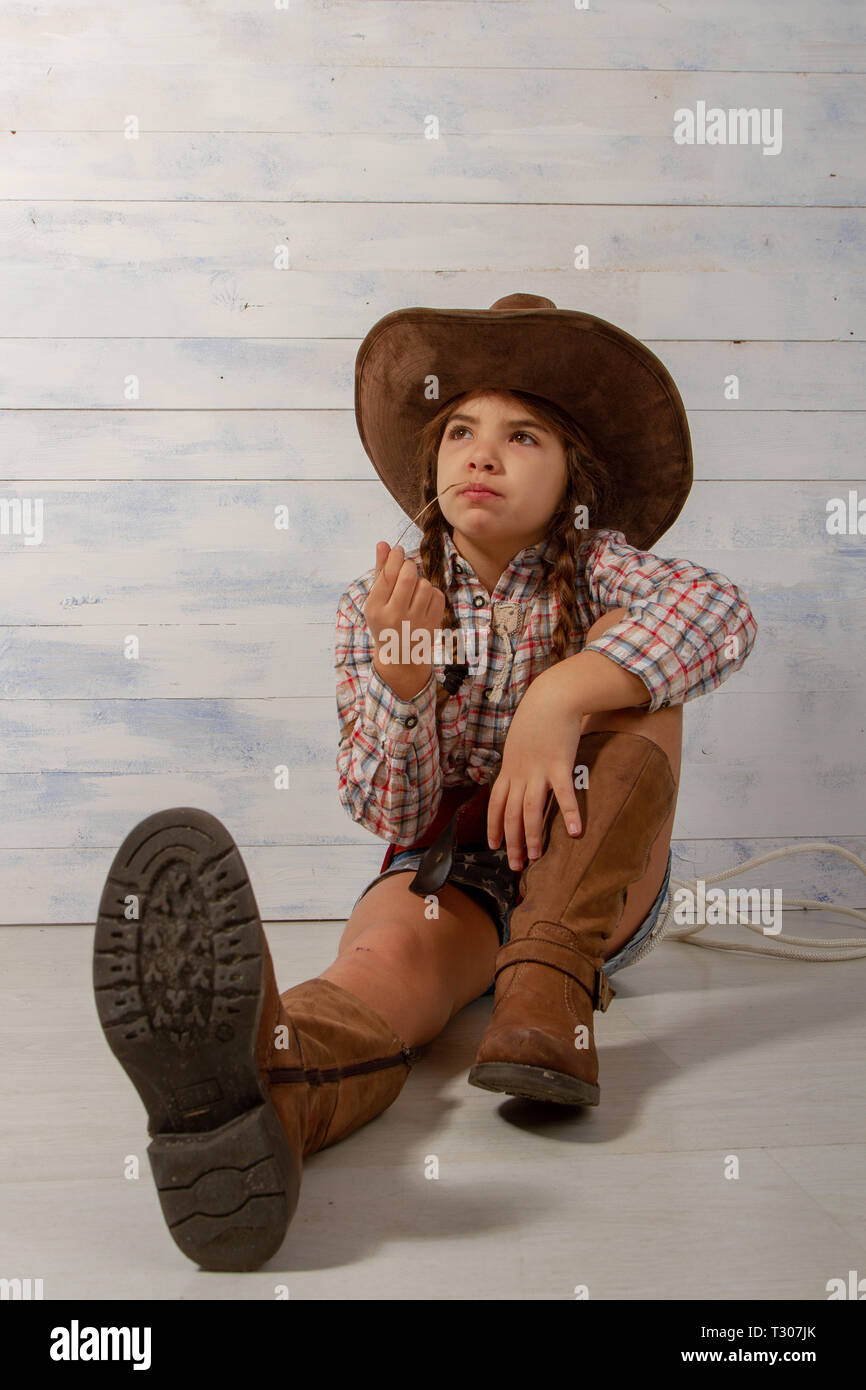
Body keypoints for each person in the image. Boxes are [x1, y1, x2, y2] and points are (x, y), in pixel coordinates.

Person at [93, 293, 757, 1273]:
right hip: (460, 863)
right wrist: (405, 695)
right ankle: (273, 1091)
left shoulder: (604, 568)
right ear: (431, 464)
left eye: (520, 434)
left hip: (590, 873)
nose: (480, 454)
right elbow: (389, 814)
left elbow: (721, 612)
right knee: (380, 966)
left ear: (574, 475)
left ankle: (547, 982)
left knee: (644, 676)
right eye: (459, 430)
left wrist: (559, 697)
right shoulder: (384, 600)